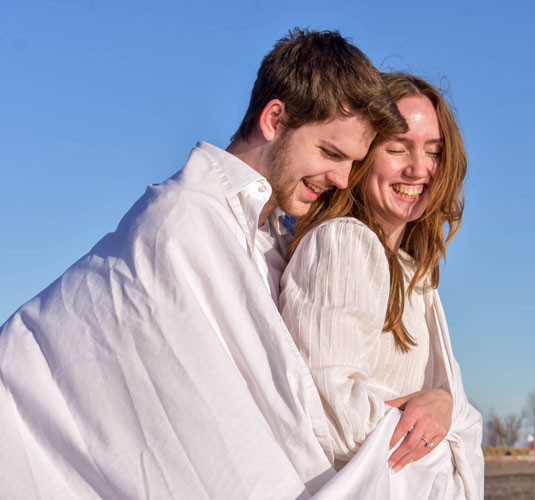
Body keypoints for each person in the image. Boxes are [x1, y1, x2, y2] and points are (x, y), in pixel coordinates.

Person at [0, 29, 406, 499]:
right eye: (330, 153)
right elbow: (201, 429)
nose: (341, 178)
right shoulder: (183, 220)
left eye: (353, 163)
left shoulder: (275, 237)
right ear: (275, 119)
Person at [280, 73, 484, 499]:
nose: (418, 168)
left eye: (434, 151)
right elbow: (330, 416)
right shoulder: (343, 242)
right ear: (362, 155)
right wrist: (434, 424)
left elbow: (449, 409)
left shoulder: (415, 272)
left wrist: (443, 406)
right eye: (397, 148)